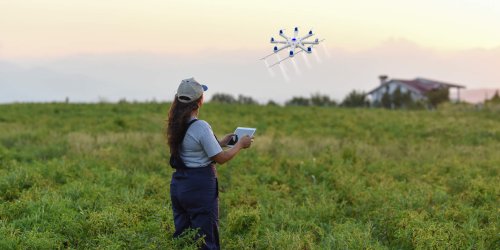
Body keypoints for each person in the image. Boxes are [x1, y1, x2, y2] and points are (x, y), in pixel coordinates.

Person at [166, 77, 253, 249]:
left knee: (183, 238)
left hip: (179, 186)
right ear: (199, 102)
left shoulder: (175, 123)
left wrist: (219, 143)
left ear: (178, 98)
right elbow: (221, 159)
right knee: (206, 240)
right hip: (199, 186)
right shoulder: (201, 126)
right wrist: (240, 145)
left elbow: (191, 148)